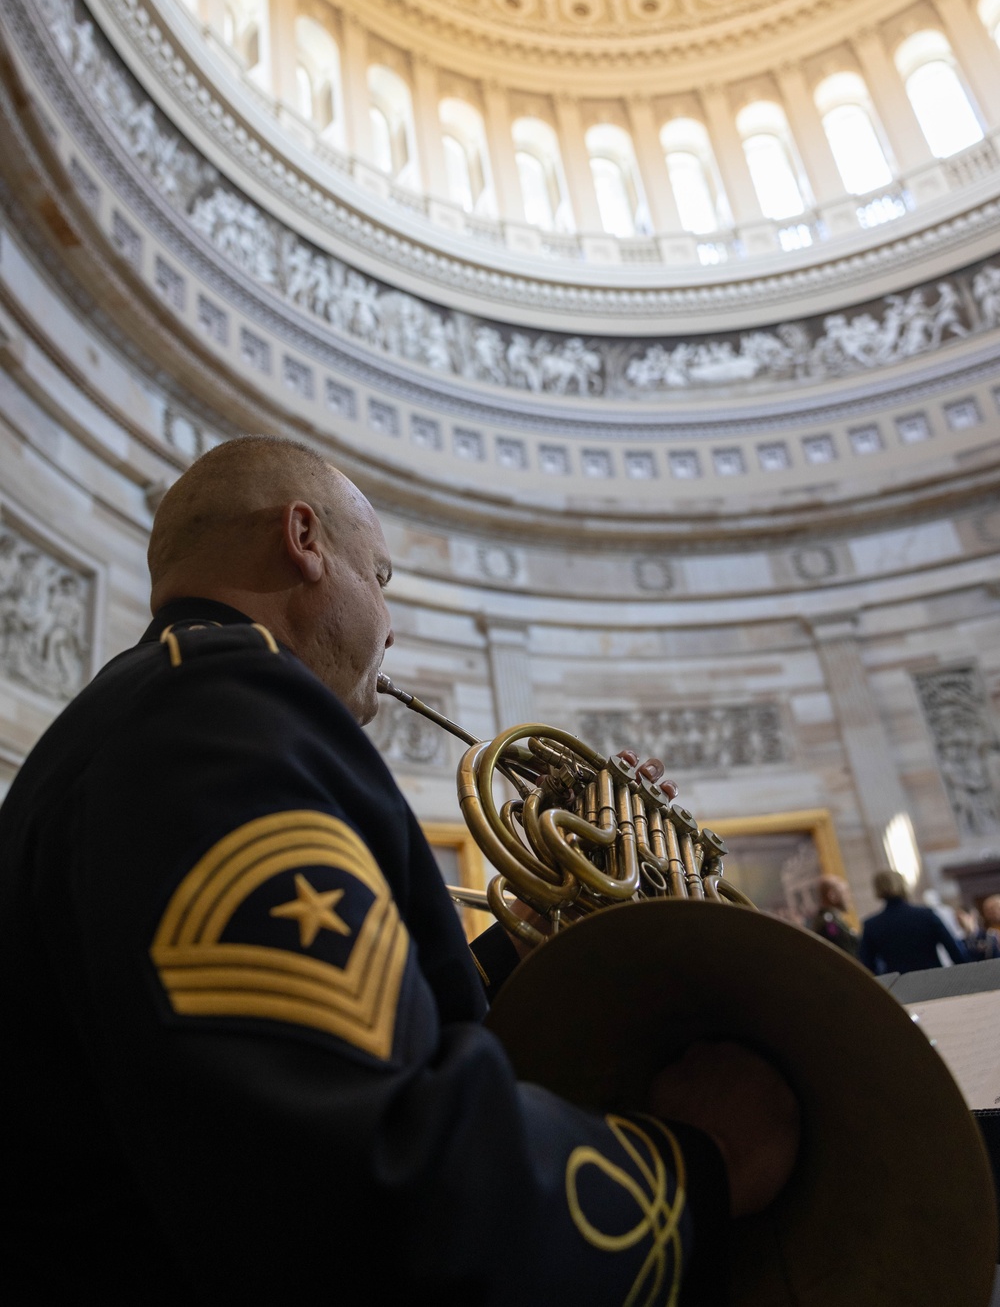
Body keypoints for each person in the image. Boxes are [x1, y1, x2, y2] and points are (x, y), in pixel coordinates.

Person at [0, 436, 799, 1304]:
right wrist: (697, 1169)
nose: (391, 624)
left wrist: (536, 940)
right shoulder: (221, 717)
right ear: (304, 539)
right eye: (380, 581)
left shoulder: (165, 705)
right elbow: (374, 1176)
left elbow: (300, 1049)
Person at [860, 869, 969, 976]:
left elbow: (867, 965)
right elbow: (954, 951)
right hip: (934, 979)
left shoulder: (872, 925)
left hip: (898, 986)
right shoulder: (926, 915)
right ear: (904, 886)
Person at [808, 874, 860, 959]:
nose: (849, 897)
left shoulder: (831, 920)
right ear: (832, 896)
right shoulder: (829, 923)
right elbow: (845, 951)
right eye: (844, 892)